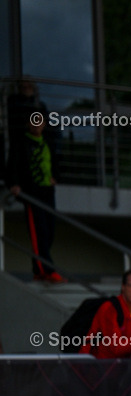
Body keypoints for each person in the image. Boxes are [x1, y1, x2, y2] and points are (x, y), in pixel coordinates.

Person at [6, 113, 64, 282]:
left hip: (48, 192)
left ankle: (39, 268)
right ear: (28, 124)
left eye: (40, 122)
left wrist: (55, 177)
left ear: (44, 124)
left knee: (50, 231)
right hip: (32, 193)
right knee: (40, 233)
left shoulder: (48, 142)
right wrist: (14, 184)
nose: (37, 125)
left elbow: (55, 162)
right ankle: (47, 270)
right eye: (33, 122)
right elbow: (12, 164)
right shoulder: (21, 142)